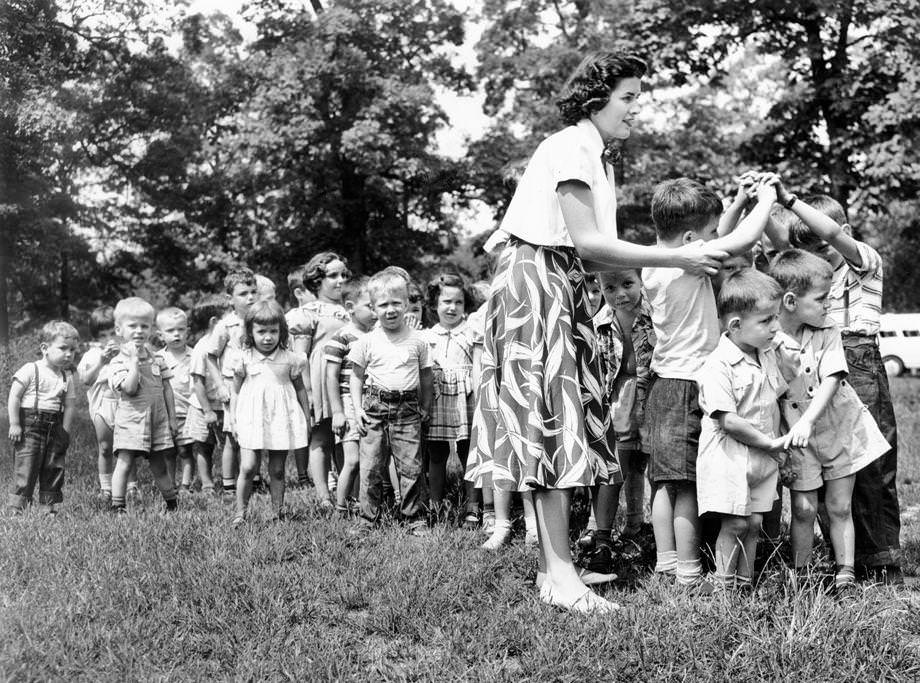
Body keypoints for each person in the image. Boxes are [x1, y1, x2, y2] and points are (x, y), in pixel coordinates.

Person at [465, 51, 728, 614]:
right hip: (536, 281)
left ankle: (553, 570)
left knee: (557, 425)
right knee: (546, 422)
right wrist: (679, 258)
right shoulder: (569, 147)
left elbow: (592, 252)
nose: (637, 109)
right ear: (595, 101)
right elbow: (588, 243)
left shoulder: (597, 157)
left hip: (563, 282)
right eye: (628, 97)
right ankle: (561, 577)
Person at [642, 176, 777, 589]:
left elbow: (719, 235)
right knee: (687, 483)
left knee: (665, 481)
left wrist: (735, 201)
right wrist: (766, 199)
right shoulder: (688, 259)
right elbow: (738, 242)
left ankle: (666, 561)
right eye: (707, 234)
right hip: (690, 385)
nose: (713, 239)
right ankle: (687, 571)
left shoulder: (654, 258)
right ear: (689, 239)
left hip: (663, 381)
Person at [771, 187, 902, 585]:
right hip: (814, 357)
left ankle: (880, 557)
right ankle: (841, 557)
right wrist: (761, 201)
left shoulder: (863, 262)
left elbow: (828, 234)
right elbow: (786, 253)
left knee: (871, 463)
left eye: (822, 249)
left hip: (857, 357)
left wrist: (790, 201)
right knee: (825, 465)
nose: (817, 259)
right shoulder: (812, 279)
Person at [695, 269, 789, 593]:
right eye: (766, 321)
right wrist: (772, 444)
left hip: (762, 456)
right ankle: (723, 589)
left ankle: (744, 587)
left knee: (755, 523)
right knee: (734, 522)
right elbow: (729, 421)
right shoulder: (718, 364)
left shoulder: (766, 355)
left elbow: (777, 397)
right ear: (735, 325)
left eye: (776, 317)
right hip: (729, 456)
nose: (775, 327)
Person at [579, 268, 655, 573]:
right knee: (615, 466)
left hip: (651, 394)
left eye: (627, 284)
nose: (620, 294)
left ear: (640, 281)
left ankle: (636, 524)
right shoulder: (600, 322)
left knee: (644, 464)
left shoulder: (655, 316)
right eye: (609, 288)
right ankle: (602, 533)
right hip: (618, 398)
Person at [348, 270, 434, 534]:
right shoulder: (367, 341)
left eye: (396, 303)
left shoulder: (419, 340)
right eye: (383, 304)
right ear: (373, 308)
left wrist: (426, 406)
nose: (390, 309)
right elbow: (356, 377)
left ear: (406, 303)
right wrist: (358, 408)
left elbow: (426, 377)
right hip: (374, 408)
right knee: (371, 466)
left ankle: (414, 519)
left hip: (407, 408)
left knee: (411, 467)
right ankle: (366, 519)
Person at [227, 300, 310, 526]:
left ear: (281, 331)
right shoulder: (243, 357)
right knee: (248, 466)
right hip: (251, 417)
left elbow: (300, 389)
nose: (267, 337)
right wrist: (233, 419)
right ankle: (240, 512)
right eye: (261, 331)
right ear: (250, 332)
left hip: (281, 417)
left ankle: (277, 513)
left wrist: (307, 418)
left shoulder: (290, 359)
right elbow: (234, 391)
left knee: (277, 469)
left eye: (273, 331)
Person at [287, 253, 350, 506]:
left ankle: (349, 493)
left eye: (344, 275)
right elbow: (301, 357)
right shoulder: (308, 312)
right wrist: (309, 392)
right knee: (321, 437)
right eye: (333, 275)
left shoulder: (349, 310)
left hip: (347, 376)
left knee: (347, 436)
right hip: (321, 378)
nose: (340, 281)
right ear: (317, 281)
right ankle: (323, 495)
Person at [108, 297, 180, 513]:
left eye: (144, 326)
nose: (139, 331)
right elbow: (129, 388)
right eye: (133, 326)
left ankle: (173, 505)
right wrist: (133, 363)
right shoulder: (118, 361)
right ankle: (118, 507)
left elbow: (167, 389)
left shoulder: (158, 358)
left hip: (157, 420)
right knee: (125, 462)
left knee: (159, 466)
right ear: (119, 329)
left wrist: (173, 418)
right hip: (132, 420)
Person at [7, 321, 79, 514]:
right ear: (45, 348)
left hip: (55, 426)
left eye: (72, 350)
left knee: (54, 466)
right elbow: (14, 395)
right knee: (26, 466)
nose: (69, 354)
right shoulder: (31, 369)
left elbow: (70, 405)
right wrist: (15, 423)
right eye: (63, 348)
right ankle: (18, 507)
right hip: (31, 426)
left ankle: (47, 507)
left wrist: (65, 430)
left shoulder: (67, 376)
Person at [423, 273, 478, 519]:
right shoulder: (427, 336)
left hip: (466, 396)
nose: (452, 307)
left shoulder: (471, 332)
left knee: (469, 452)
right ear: (435, 304)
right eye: (446, 302)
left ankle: (472, 506)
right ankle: (436, 505)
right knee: (436, 454)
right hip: (438, 396)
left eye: (458, 302)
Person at [326, 277, 377, 517]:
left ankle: (362, 503)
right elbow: (331, 378)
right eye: (370, 306)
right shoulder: (342, 337)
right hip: (348, 402)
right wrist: (337, 412)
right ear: (350, 307)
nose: (376, 311)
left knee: (372, 460)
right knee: (352, 460)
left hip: (372, 401)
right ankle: (340, 507)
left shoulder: (377, 336)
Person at [205, 267, 258, 497]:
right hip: (232, 386)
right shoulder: (226, 325)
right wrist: (219, 385)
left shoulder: (260, 320)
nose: (250, 297)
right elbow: (210, 356)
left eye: (254, 292)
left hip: (255, 384)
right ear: (230, 299)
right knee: (231, 437)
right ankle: (228, 485)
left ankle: (253, 478)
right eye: (244, 293)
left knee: (255, 434)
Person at [183, 295, 230, 495]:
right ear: (214, 322)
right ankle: (207, 483)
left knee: (230, 444)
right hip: (203, 406)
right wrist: (208, 411)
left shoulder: (226, 345)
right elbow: (198, 383)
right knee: (204, 447)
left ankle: (232, 479)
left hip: (224, 405)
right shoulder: (202, 348)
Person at [77, 306, 125, 501]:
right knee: (105, 447)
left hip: (123, 403)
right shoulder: (91, 355)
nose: (109, 338)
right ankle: (106, 488)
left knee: (126, 448)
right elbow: (85, 380)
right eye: (103, 334)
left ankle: (130, 487)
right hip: (102, 404)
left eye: (112, 332)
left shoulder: (126, 351)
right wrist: (102, 361)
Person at [155, 307, 195, 492]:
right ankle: (170, 484)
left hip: (189, 412)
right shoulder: (157, 358)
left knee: (185, 450)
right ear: (160, 335)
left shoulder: (194, 355)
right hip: (166, 413)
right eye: (170, 331)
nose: (176, 334)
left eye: (181, 329)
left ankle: (186, 484)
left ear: (188, 330)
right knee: (168, 452)